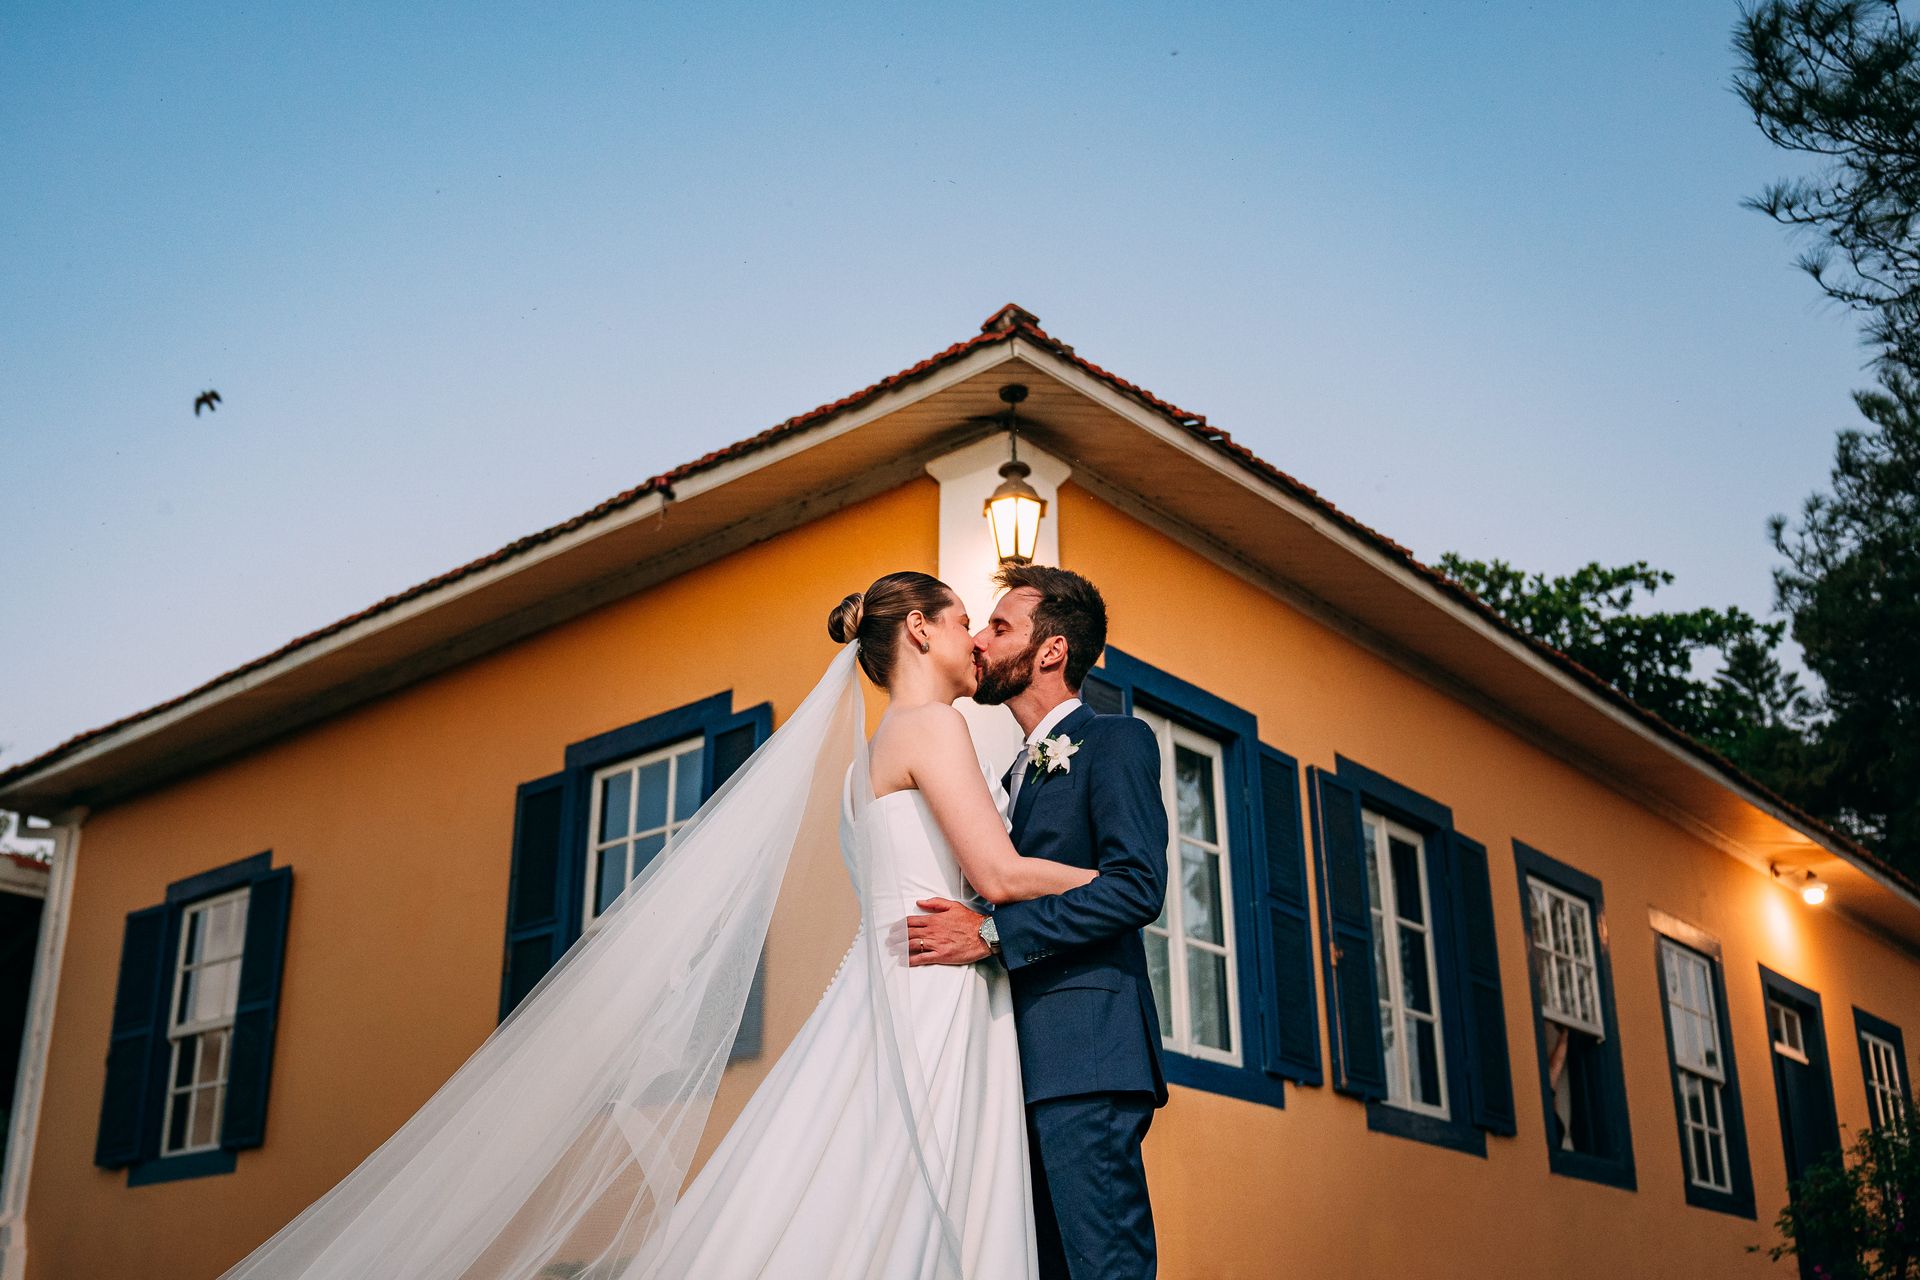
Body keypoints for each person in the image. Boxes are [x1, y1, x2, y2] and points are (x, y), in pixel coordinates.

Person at [215, 570, 1127, 1280]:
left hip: (888, 986)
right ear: (920, 630)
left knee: (836, 1188)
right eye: (965, 617)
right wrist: (1119, 881)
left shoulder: (866, 761)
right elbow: (999, 874)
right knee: (918, 1200)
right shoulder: (933, 730)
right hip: (937, 1000)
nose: (975, 636)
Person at [908, 564, 1169, 1280]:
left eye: (1000, 626)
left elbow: (1137, 887)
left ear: (1051, 651)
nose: (983, 643)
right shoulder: (1009, 775)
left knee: (1102, 1267)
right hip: (1009, 1064)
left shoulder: (1117, 743)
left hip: (1085, 1058)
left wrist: (991, 935)